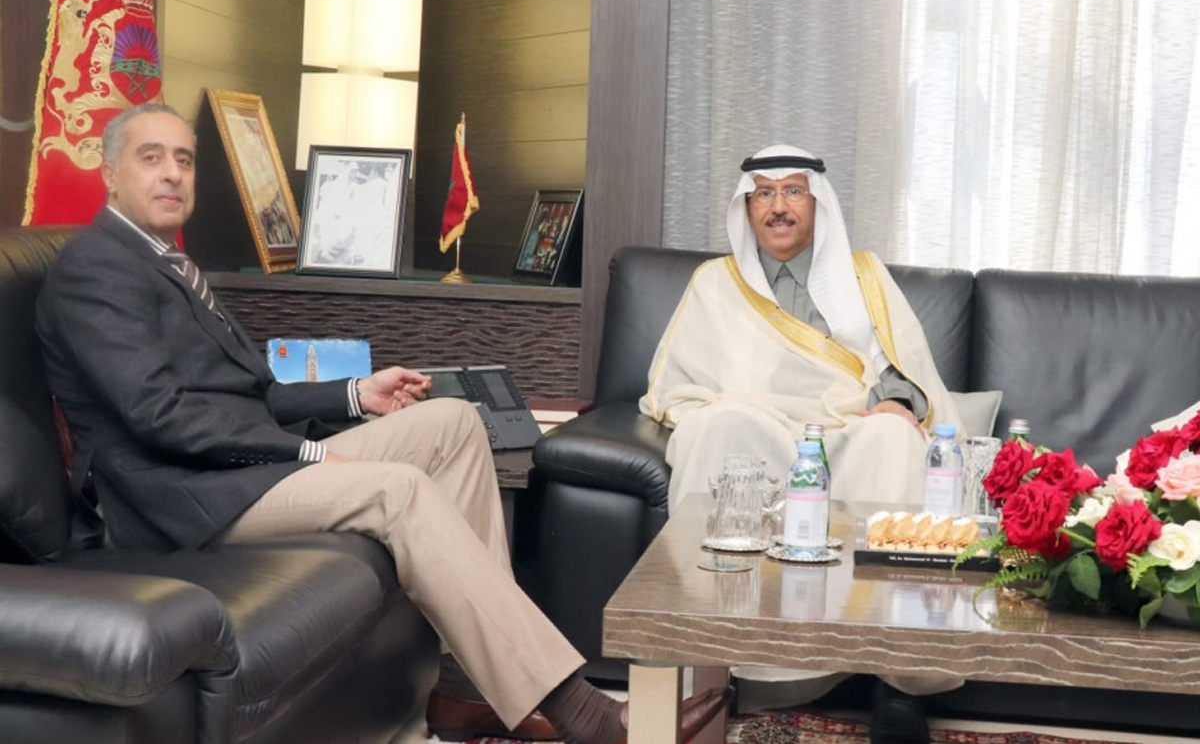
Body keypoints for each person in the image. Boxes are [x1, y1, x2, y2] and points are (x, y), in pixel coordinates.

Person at [36, 103, 730, 744]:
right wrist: (310, 453)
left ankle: (467, 687)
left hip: (234, 469)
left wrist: (355, 395)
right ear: (110, 173)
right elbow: (160, 417)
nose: (172, 173)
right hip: (181, 498)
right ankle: (586, 714)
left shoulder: (168, 261)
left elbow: (250, 393)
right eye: (152, 157)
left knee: (452, 422)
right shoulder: (96, 269)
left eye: (184, 159)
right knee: (398, 490)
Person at [638, 145, 966, 744]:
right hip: (757, 423)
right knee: (719, 425)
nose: (778, 207)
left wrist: (897, 401)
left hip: (845, 426)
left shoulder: (863, 275)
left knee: (894, 438)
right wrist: (719, 407)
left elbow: (903, 366)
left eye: (793, 191)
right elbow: (677, 382)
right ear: (747, 207)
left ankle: (897, 682)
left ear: (818, 203)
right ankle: (722, 660)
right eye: (764, 194)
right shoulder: (715, 282)